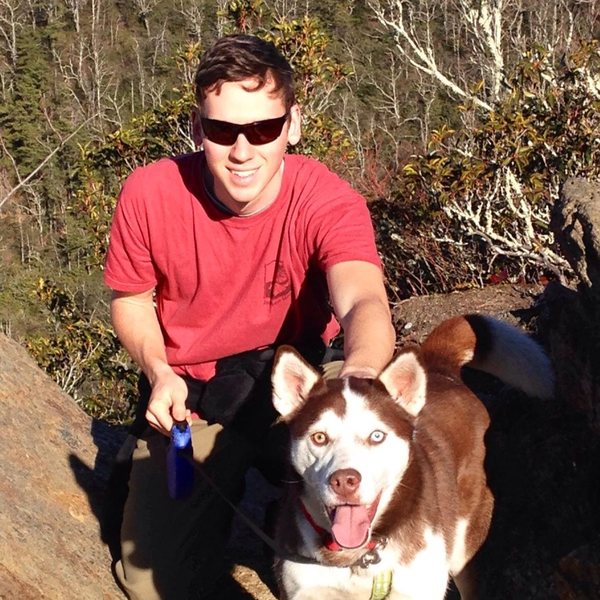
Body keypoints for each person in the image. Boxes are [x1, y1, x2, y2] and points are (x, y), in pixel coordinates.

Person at [104, 33, 395, 600]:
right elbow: (132, 299)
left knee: (373, 502)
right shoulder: (150, 194)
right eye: (222, 131)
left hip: (302, 379)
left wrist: (360, 376)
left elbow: (362, 299)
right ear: (197, 128)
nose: (243, 151)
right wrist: (159, 371)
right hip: (197, 395)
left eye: (263, 129)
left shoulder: (326, 200)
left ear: (293, 125)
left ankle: (297, 519)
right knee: (151, 579)